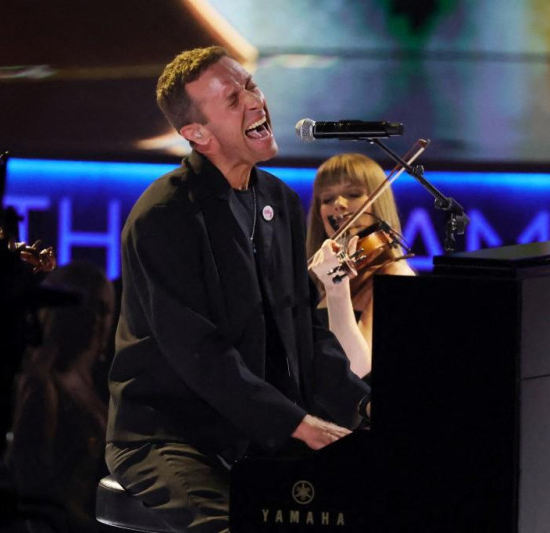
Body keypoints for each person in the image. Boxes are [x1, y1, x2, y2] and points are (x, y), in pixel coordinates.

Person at [105, 46, 370, 532]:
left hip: (260, 427)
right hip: (172, 435)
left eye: (250, 85)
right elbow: (201, 354)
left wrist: (362, 406)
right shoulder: (163, 216)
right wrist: (295, 423)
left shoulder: (280, 201)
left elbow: (305, 330)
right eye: (232, 99)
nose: (255, 102)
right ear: (197, 134)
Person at [4, 261, 114, 532]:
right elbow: (34, 492)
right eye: (86, 308)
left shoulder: (92, 383)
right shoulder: (43, 386)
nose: (96, 321)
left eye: (103, 310)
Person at [306, 153, 415, 378]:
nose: (339, 205)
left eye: (353, 194)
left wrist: (337, 285)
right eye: (327, 199)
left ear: (378, 203)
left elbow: (355, 367)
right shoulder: (316, 281)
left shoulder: (395, 274)